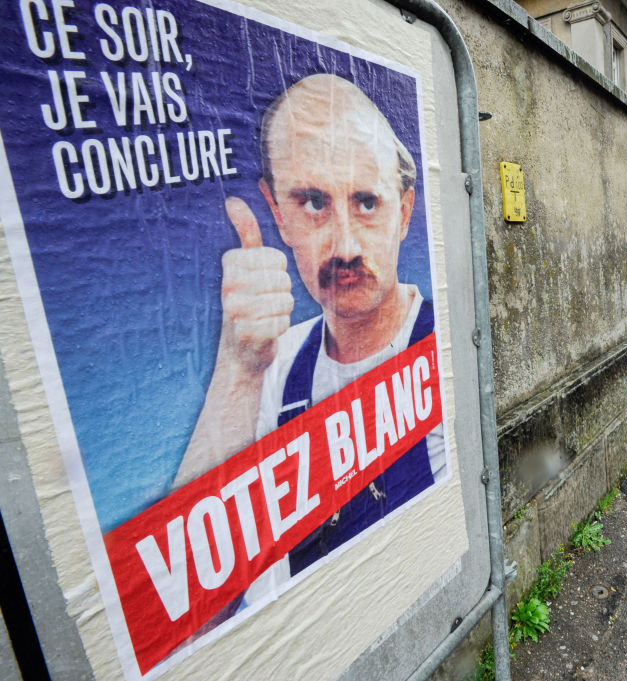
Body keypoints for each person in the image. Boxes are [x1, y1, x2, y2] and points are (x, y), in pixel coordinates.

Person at [175, 74, 445, 583]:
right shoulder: (270, 373)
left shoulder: (443, 349)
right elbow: (190, 584)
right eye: (314, 204)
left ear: (404, 212)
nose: (345, 246)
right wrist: (239, 369)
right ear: (277, 212)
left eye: (367, 203)